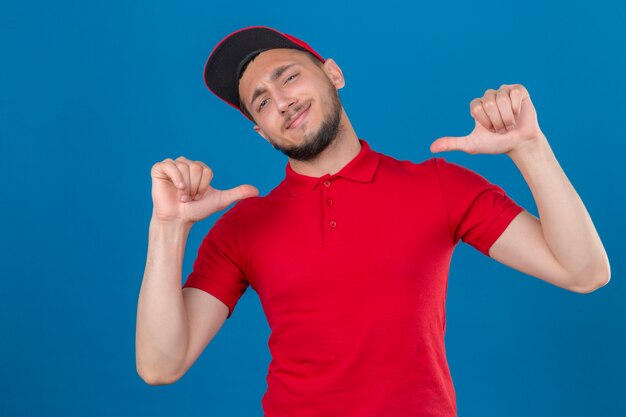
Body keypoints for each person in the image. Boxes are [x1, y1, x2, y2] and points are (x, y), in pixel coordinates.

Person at [135, 26, 611, 416]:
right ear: (261, 132)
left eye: (288, 77)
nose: (280, 100)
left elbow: (583, 271)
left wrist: (529, 149)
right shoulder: (243, 228)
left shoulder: (438, 186)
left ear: (332, 73)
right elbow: (161, 364)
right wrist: (168, 228)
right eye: (260, 102)